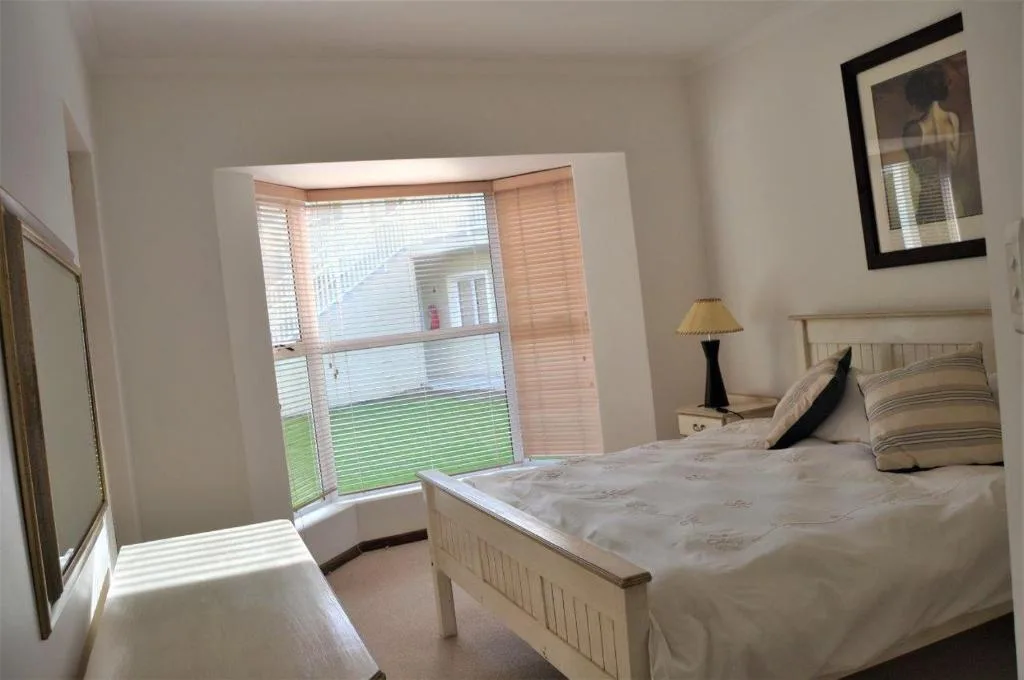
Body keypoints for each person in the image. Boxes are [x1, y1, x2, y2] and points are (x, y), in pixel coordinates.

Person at [902, 64, 961, 225]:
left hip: (940, 206)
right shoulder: (952, 119)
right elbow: (952, 163)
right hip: (946, 205)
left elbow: (917, 169)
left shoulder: (913, 130)